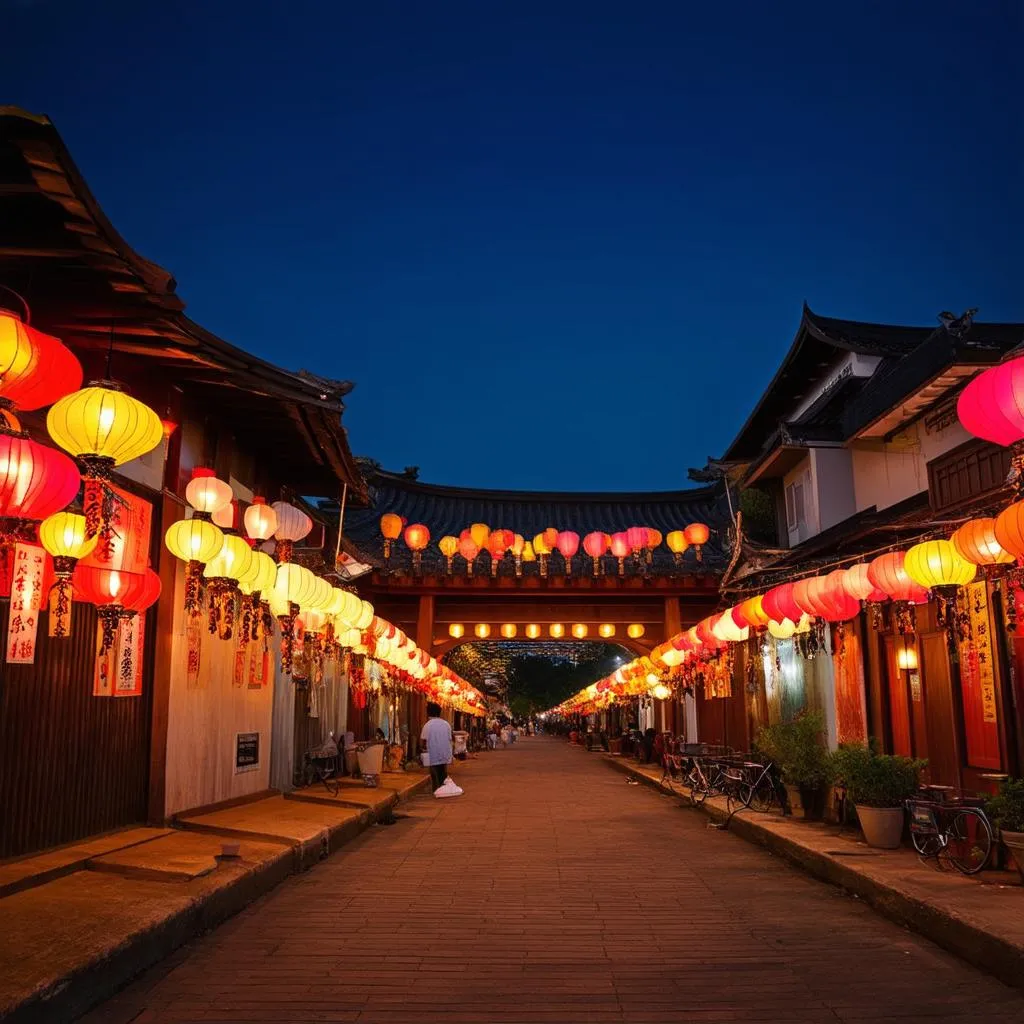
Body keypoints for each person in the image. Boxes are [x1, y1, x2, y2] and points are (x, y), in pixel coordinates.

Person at [420, 702, 453, 792]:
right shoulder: (446, 724)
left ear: (428, 713)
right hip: (445, 753)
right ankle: (444, 789)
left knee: (434, 773)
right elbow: (450, 739)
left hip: (433, 754)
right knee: (443, 772)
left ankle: (437, 789)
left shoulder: (427, 725)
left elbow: (424, 740)